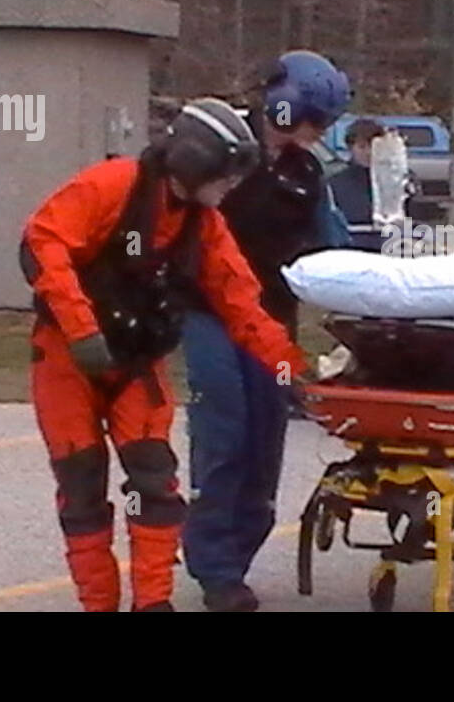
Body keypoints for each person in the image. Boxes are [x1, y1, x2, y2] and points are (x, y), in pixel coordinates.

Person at [20, 97, 306, 612]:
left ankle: (153, 602)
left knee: (155, 483)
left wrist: (289, 368)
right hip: (68, 360)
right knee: (82, 488)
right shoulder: (113, 185)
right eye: (228, 173)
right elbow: (43, 241)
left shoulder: (203, 225)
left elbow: (243, 305)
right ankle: (99, 603)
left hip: (136, 363)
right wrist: (82, 329)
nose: (233, 186)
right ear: (197, 162)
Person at [181, 49, 351, 612]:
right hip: (209, 314)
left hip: (271, 320)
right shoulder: (224, 153)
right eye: (313, 121)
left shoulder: (306, 174)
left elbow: (332, 242)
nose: (316, 134)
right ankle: (215, 567)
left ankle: (242, 552)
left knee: (265, 438)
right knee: (223, 431)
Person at [327, 117, 390, 251]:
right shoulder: (335, 183)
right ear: (351, 148)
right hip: (351, 253)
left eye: (374, 147)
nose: (368, 153)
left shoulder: (395, 181)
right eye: (362, 147)